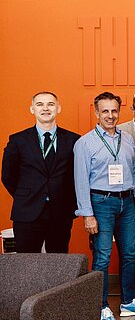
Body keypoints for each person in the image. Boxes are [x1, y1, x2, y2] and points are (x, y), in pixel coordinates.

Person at [74, 92, 135, 320]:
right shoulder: (85, 143)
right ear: (97, 113)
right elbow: (80, 181)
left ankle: (128, 301)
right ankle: (100, 307)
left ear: (120, 112)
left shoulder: (127, 139)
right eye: (105, 111)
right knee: (103, 255)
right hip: (101, 203)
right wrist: (87, 214)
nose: (110, 115)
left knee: (129, 253)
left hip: (127, 202)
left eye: (114, 111)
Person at [2, 91, 80, 253]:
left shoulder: (74, 140)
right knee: (26, 264)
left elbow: (77, 175)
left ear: (58, 108)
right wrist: (25, 194)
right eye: (40, 104)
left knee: (58, 264)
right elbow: (8, 175)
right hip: (27, 211)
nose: (45, 108)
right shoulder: (18, 140)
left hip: (60, 211)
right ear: (32, 109)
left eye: (50, 104)